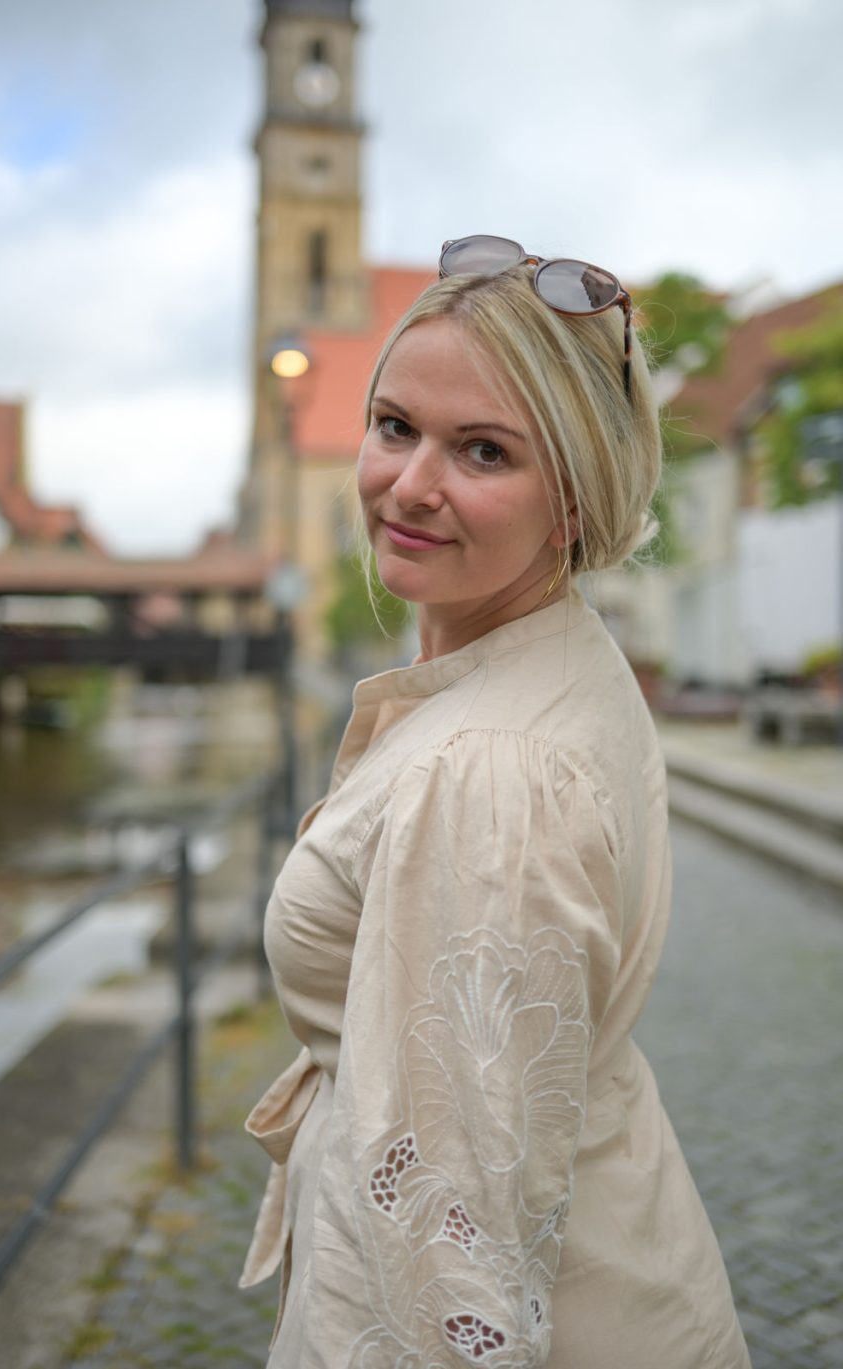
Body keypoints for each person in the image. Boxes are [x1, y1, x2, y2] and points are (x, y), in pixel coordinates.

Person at [239, 234, 751, 1368]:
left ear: (571, 502)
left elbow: (444, 1268)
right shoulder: (544, 654)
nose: (409, 484)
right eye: (393, 427)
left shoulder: (483, 773)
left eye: (481, 451)